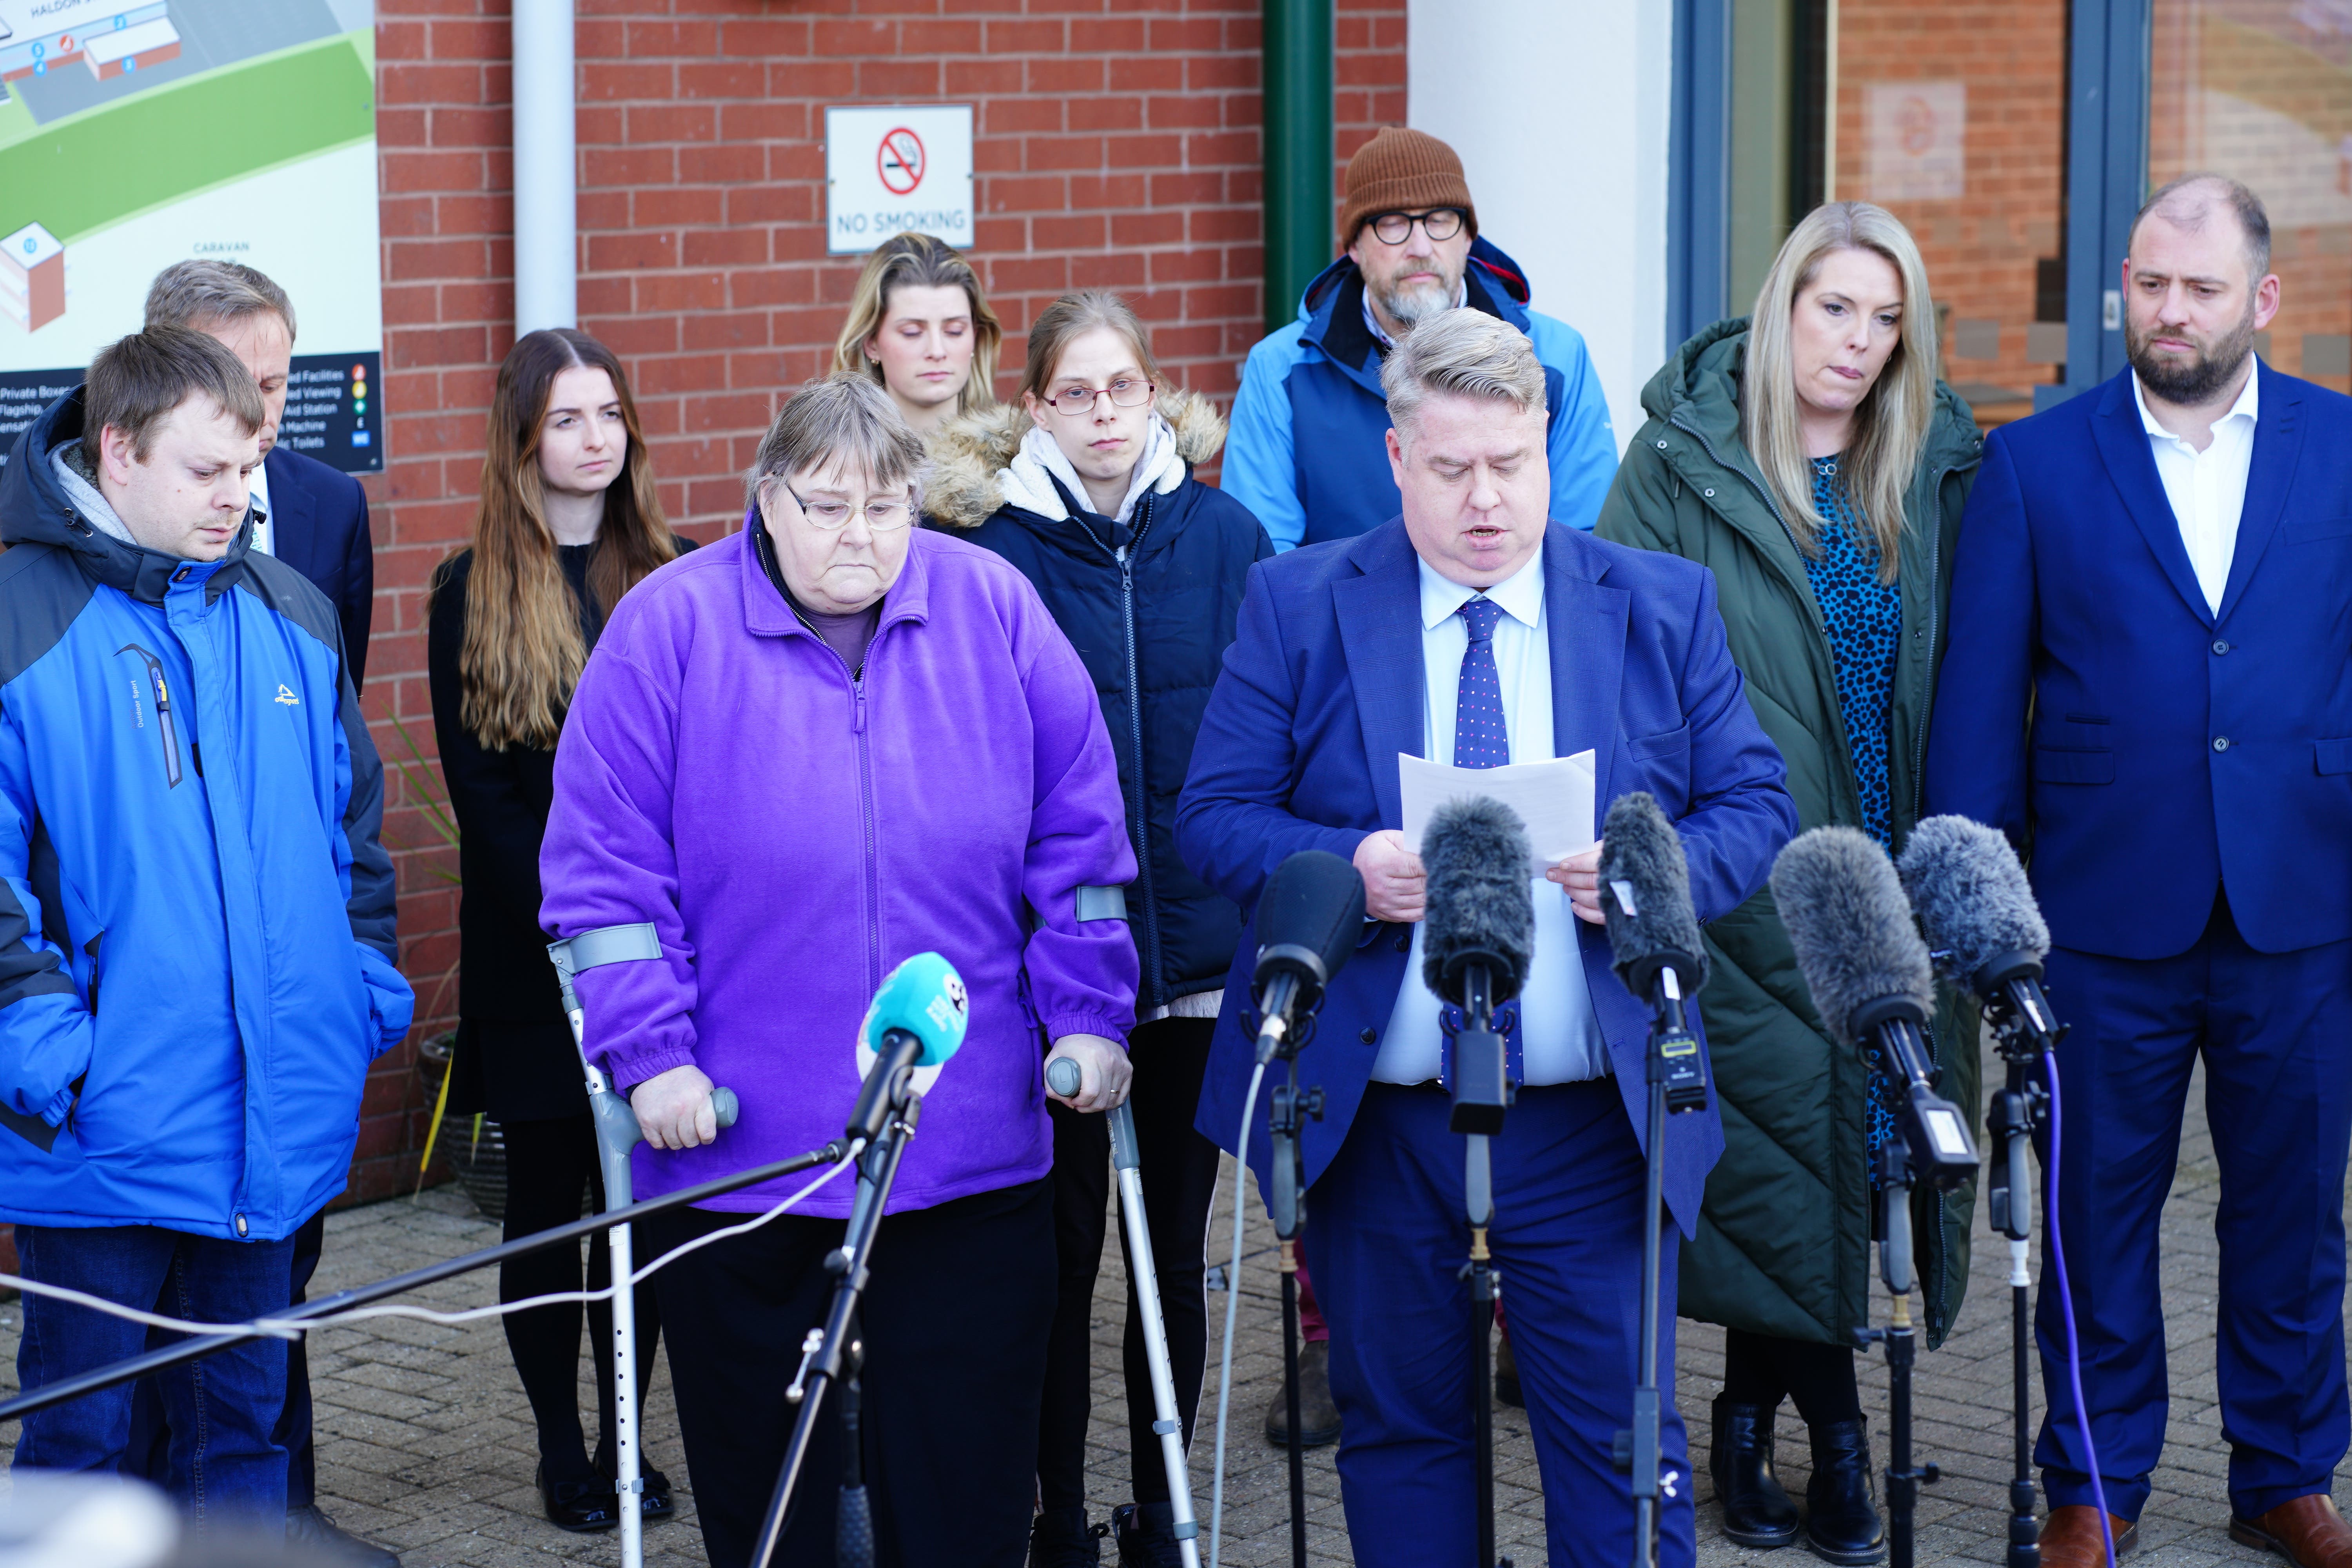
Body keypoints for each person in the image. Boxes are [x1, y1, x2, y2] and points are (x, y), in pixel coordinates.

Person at [1177, 309, 1797, 1568]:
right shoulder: (1296, 604)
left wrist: (1646, 872)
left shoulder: (1656, 604)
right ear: (1395, 458)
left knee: (1625, 1446)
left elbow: (1756, 806)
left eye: (1507, 467)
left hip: (1588, 1116)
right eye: (1449, 468)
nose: (1480, 501)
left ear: (1545, 449)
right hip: (1379, 1111)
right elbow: (1209, 816)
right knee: (1400, 1433)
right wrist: (1342, 867)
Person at [539, 372, 1141, 1568]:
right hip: (748, 1157)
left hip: (967, 1158)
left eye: (884, 506)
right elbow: (604, 882)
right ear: (766, 499)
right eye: (823, 506)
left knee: (966, 1494)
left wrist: (1090, 1016)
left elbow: (1077, 847)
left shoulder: (996, 611)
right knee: (773, 1507)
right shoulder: (668, 630)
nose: (857, 536)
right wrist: (649, 1058)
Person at [1929, 174, 2352, 1568]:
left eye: (2200, 289)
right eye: (2148, 285)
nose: (2168, 313)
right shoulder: (2036, 464)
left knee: (2288, 1212)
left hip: (2302, 898)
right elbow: (1982, 706)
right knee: (2094, 1211)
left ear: (2262, 300)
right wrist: (1981, 917)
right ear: (2121, 283)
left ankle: (2283, 1468)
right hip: (2097, 915)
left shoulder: (2340, 449)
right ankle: (2091, 1483)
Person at [1595, 201, 1982, 1563]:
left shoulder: (1929, 458)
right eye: (1837, 309)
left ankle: (1748, 1418)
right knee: (1780, 1165)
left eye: (1887, 320)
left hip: (1887, 880)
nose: (1861, 344)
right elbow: (1621, 672)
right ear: (1780, 309)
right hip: (1748, 870)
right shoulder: (1682, 463)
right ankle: (1841, 1450)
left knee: (1852, 1161)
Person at [0, 328, 412, 1522]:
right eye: (206, 471)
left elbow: (356, 835)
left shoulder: (290, 612)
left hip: (268, 1122)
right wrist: (55, 1062)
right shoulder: (19, 617)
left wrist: (358, 995)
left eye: (250, 468)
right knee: (87, 1441)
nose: (238, 499)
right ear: (116, 449)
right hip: (102, 1131)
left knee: (244, 1443)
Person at [926, 290, 1274, 1567]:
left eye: (1123, 387)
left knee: (1169, 1251)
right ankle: (1053, 1509)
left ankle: (1159, 1503)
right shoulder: (993, 555)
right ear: (1035, 406)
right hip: (1056, 968)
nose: (1105, 414)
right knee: (1063, 1252)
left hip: (1190, 957)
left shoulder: (1225, 534)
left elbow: (1264, 728)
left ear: (1153, 391)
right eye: (1076, 393)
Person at [136, 255, 387, 1568]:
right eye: (243, 384)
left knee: (278, 1276)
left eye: (283, 382)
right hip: (161, 1012)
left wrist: (355, 986)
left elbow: (337, 769)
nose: (267, 422)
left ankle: (281, 1510)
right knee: (141, 1334)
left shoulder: (327, 506)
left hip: (292, 1004)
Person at [427, 328, 693, 1535]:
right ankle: (560, 1446)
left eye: (610, 415)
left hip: (667, 951)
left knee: (640, 1206)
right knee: (552, 1205)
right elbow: (485, 801)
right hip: (539, 959)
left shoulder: (678, 570)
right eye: (568, 418)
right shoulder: (468, 589)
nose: (595, 439)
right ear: (524, 436)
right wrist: (585, 928)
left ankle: (630, 1440)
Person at [1222, 125, 1619, 550]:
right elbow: (1262, 556)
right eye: (1392, 224)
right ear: (1354, 246)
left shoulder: (1556, 355)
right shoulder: (1281, 370)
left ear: (1468, 237)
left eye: (1439, 221)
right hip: (1344, 616)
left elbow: (1586, 542)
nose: (1420, 246)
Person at [145, 261, 376, 685]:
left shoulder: (338, 503)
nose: (259, 414)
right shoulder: (122, 508)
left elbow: (341, 694)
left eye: (272, 386)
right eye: (233, 386)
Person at [833, 230, 1003, 435]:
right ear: (872, 344)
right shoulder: (826, 460)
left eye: (954, 331)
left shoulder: (1023, 458)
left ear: (975, 337)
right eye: (912, 333)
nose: (937, 351)